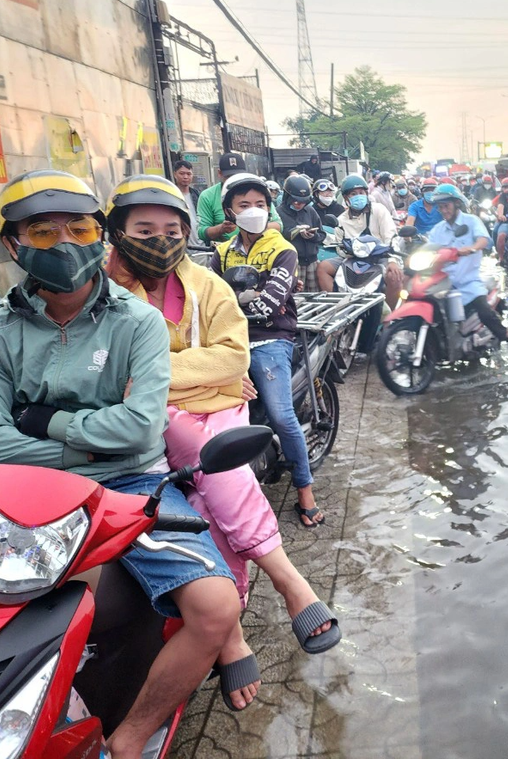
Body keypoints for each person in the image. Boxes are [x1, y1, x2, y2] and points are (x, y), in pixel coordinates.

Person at [0, 169, 245, 757]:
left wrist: (42, 420)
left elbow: (141, 429)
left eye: (79, 227)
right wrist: (90, 439)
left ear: (100, 236)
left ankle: (132, 735)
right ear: (13, 244)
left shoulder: (136, 322)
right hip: (23, 490)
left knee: (216, 608)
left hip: (132, 483)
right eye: (42, 232)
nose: (64, 243)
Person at [103, 174, 340, 665]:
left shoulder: (210, 281)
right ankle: (275, 590)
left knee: (272, 414)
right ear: (117, 234)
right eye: (144, 230)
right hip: (172, 417)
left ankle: (302, 493)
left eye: (171, 230)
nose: (160, 240)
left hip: (240, 380)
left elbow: (233, 358)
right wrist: (198, 377)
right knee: (207, 476)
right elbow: (112, 371)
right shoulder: (103, 296)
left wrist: (157, 376)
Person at [210, 173, 327, 529]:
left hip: (270, 339)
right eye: (244, 205)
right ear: (230, 211)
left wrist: (235, 303)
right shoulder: (222, 253)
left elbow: (270, 305)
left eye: (259, 204)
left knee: (280, 414)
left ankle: (305, 489)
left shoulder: (282, 249)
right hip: (229, 341)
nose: (253, 210)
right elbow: (210, 301)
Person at [426, 184, 508, 355]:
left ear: (456, 204)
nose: (443, 210)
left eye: (446, 206)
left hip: (468, 282)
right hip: (444, 284)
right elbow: (428, 249)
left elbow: (484, 240)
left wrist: (471, 248)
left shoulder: (471, 221)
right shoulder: (437, 230)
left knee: (484, 311)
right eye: (440, 207)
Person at [317, 174, 403, 307]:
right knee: (323, 267)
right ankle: (338, 308)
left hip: (381, 256)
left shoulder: (379, 210)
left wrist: (392, 261)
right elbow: (341, 249)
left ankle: (387, 317)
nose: (358, 196)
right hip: (353, 259)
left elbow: (391, 236)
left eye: (361, 192)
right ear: (346, 198)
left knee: (395, 276)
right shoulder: (341, 220)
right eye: (353, 193)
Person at [195, 152, 282, 244]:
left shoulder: (256, 189)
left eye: (259, 205)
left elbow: (278, 225)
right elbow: (201, 232)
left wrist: (257, 226)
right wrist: (221, 229)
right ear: (219, 173)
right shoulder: (207, 196)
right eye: (244, 206)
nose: (234, 179)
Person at [278, 174, 326, 291]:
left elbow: (322, 235)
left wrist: (312, 236)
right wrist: (293, 232)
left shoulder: (310, 211)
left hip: (311, 262)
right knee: (294, 297)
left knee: (315, 297)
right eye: (296, 201)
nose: (299, 204)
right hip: (292, 264)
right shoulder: (279, 214)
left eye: (303, 202)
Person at [173, 159, 202, 241]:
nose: (185, 177)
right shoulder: (171, 196)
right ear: (175, 174)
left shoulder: (197, 195)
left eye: (189, 174)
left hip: (201, 244)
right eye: (182, 173)